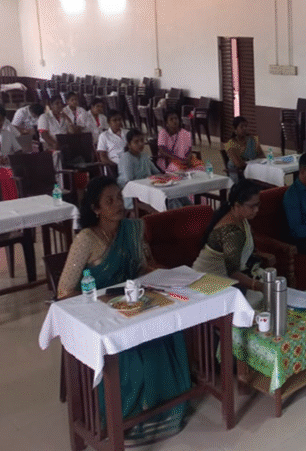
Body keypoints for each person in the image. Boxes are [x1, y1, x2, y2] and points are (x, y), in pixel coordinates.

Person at [57, 176, 191, 445]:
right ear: (96, 208)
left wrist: (169, 275)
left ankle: (163, 405)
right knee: (133, 350)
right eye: (110, 201)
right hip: (101, 312)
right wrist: (103, 299)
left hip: (133, 303)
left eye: (119, 197)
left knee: (166, 329)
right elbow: (64, 291)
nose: (118, 204)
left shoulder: (132, 229)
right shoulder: (86, 239)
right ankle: (130, 415)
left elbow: (143, 267)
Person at [193, 180, 273, 308]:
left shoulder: (239, 218)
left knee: (270, 282)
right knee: (261, 296)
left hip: (225, 275)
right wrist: (260, 286)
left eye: (258, 204)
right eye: (252, 206)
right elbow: (233, 273)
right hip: (209, 281)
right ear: (237, 205)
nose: (257, 210)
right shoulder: (231, 232)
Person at [117, 128, 164, 210]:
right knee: (162, 201)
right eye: (136, 142)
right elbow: (129, 182)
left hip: (149, 188)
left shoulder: (144, 155)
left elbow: (156, 172)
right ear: (129, 144)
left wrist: (164, 177)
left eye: (142, 140)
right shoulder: (126, 158)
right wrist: (149, 182)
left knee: (171, 197)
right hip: (132, 194)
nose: (141, 144)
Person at [157, 109, 204, 173]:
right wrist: (178, 159)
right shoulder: (163, 133)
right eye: (171, 119)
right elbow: (162, 151)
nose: (174, 121)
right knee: (180, 171)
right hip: (169, 160)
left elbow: (189, 150)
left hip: (185, 159)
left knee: (201, 168)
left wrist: (188, 159)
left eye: (176, 118)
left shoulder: (185, 133)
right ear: (166, 122)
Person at [224, 115, 265, 180]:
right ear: (235, 129)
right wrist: (253, 164)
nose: (245, 128)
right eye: (241, 127)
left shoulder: (252, 140)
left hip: (254, 170)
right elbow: (238, 164)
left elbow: (262, 156)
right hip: (239, 173)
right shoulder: (231, 144)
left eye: (246, 126)